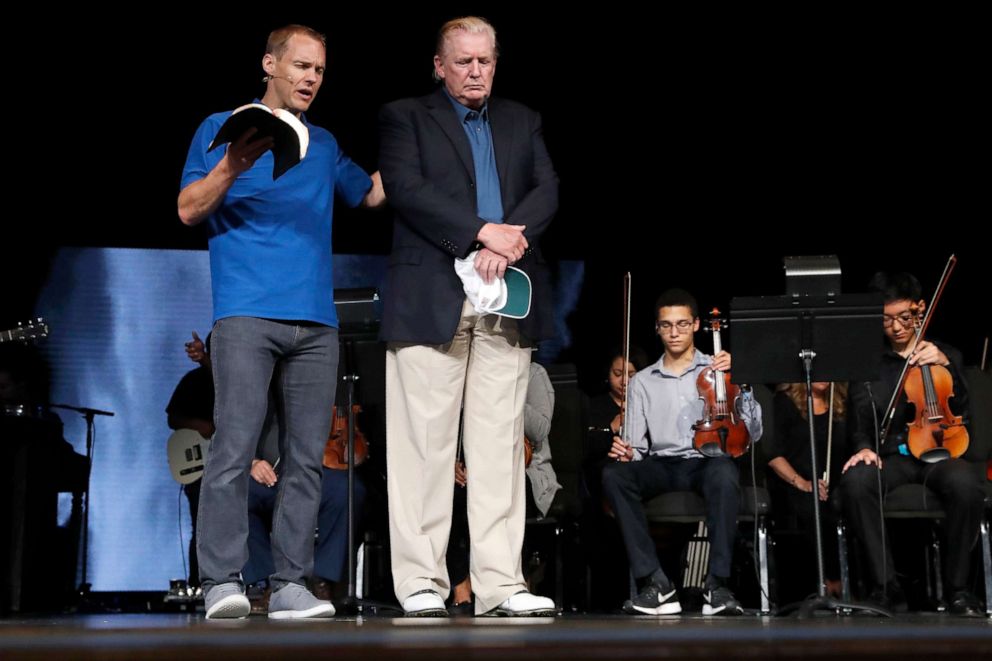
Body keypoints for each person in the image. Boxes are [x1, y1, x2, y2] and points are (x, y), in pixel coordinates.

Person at [178, 24, 385, 620]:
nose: (311, 79)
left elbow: (368, 196)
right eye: (300, 66)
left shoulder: (322, 143)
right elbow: (188, 208)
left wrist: (418, 153)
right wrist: (234, 163)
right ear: (269, 63)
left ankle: (292, 582)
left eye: (319, 70)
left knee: (306, 457)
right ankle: (221, 579)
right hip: (245, 315)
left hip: (316, 323)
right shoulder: (220, 128)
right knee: (234, 447)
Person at [378, 16, 558, 616]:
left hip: (506, 295)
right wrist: (479, 233)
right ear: (439, 65)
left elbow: (545, 189)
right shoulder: (406, 116)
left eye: (485, 61)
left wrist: (507, 243)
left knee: (499, 447)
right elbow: (405, 188)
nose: (476, 71)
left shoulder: (521, 119)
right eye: (463, 61)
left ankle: (500, 585)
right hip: (432, 294)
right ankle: (422, 584)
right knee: (423, 448)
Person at [601, 289, 762, 616]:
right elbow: (637, 446)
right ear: (657, 328)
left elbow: (753, 432)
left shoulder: (721, 368)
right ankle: (656, 581)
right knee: (614, 476)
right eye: (667, 325)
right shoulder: (642, 381)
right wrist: (624, 450)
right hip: (662, 463)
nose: (674, 332)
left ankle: (717, 585)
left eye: (682, 324)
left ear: (696, 325)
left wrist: (742, 383)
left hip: (706, 461)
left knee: (724, 471)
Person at [838, 272, 983, 616]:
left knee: (966, 485)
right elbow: (859, 416)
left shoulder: (946, 354)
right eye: (886, 319)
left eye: (904, 317)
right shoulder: (867, 363)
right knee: (857, 482)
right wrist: (863, 447)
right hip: (894, 455)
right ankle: (886, 587)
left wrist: (945, 365)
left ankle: (958, 589)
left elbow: (961, 410)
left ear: (919, 310)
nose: (897, 327)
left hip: (940, 451)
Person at [446, 361, 562, 614]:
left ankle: (510, 583)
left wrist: (508, 388)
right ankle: (460, 585)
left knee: (506, 491)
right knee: (449, 495)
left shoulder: (533, 373)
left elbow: (540, 429)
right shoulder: (463, 373)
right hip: (470, 470)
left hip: (527, 473)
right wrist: (449, 464)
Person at [580, 346, 649, 610]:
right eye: (617, 373)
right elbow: (586, 449)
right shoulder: (595, 405)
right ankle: (609, 599)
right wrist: (611, 428)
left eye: (631, 374)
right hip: (601, 482)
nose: (623, 380)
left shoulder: (647, 403)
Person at [766, 381, 848, 600]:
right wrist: (802, 482)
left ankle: (852, 583)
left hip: (834, 484)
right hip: (792, 482)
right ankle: (825, 582)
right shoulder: (784, 402)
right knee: (811, 506)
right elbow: (773, 455)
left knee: (849, 502)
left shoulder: (841, 404)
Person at [165, 331, 215, 590]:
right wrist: (200, 425)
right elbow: (173, 418)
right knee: (202, 526)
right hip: (201, 465)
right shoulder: (193, 381)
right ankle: (200, 585)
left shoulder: (241, 380)